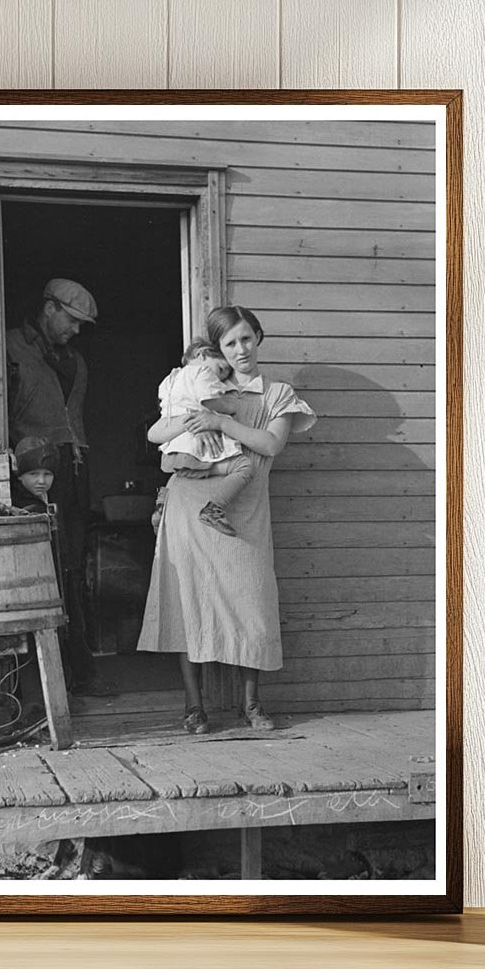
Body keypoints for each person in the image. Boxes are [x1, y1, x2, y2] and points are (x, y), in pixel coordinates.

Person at [137, 306, 316, 735]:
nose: (241, 350)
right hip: (188, 507)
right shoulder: (201, 383)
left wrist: (221, 421)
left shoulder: (277, 395)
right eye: (230, 343)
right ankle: (194, 707)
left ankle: (251, 705)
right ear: (218, 349)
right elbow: (156, 434)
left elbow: (270, 445)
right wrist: (190, 417)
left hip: (245, 511)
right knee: (189, 604)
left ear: (258, 337)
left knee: (251, 603)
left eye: (247, 339)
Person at [6, 278, 102, 695]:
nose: (76, 331)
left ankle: (78, 675)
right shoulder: (9, 346)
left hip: (73, 474)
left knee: (73, 573)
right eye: (72, 320)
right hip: (32, 476)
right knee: (38, 575)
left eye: (82, 325)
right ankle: (34, 684)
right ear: (50, 308)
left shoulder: (76, 360)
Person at [156, 338, 255, 537]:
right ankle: (215, 508)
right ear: (201, 355)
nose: (220, 378)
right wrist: (229, 407)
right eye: (221, 369)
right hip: (194, 449)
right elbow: (208, 400)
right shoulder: (201, 372)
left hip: (173, 451)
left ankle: (161, 503)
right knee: (244, 467)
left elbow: (164, 410)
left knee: (179, 474)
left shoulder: (171, 378)